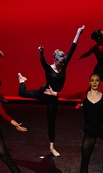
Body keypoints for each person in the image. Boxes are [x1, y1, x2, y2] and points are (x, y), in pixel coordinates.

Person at [17, 25, 85, 157]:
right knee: (21, 93)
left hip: (53, 98)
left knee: (51, 121)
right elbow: (42, 62)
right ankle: (22, 80)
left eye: (64, 60)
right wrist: (41, 53)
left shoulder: (64, 65)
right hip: (44, 93)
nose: (63, 62)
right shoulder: (49, 68)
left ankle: (52, 147)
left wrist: (78, 33)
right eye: (61, 60)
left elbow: (73, 48)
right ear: (55, 59)